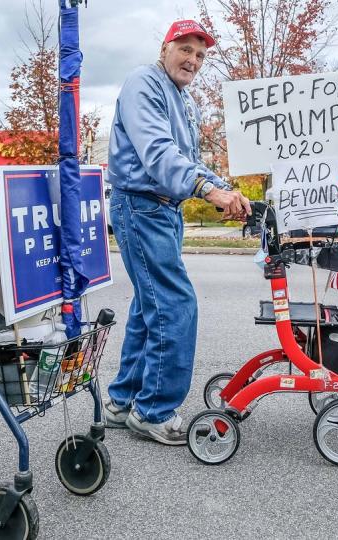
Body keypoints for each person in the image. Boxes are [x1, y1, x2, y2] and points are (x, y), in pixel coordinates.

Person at [103, 20, 251, 445]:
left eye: (200, 55)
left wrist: (222, 188)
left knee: (148, 304)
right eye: (185, 49)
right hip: (141, 207)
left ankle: (122, 401)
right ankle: (153, 412)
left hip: (162, 210)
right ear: (165, 48)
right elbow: (158, 153)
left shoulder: (183, 99)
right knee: (174, 304)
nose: (193, 60)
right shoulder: (143, 84)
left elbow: (188, 158)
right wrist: (207, 190)